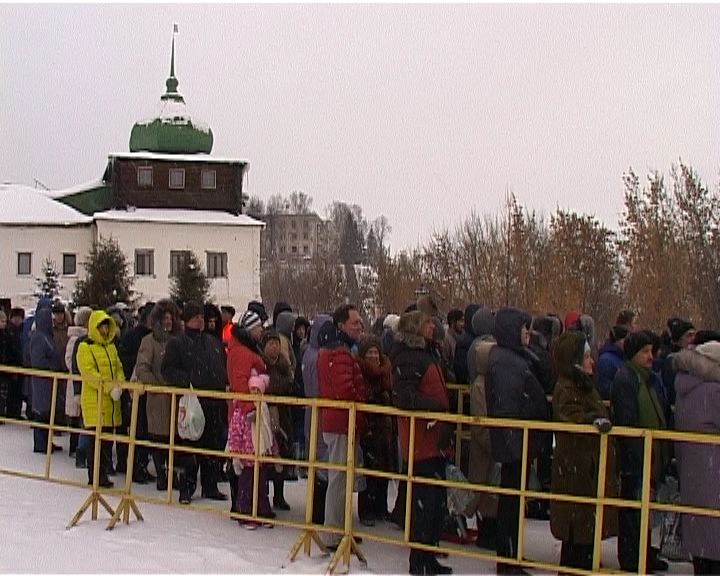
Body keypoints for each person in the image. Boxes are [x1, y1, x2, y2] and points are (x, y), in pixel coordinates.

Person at [486, 307, 547, 575]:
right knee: (510, 502)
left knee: (513, 502)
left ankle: (510, 556)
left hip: (518, 439)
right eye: (524, 328)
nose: (529, 333)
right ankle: (507, 559)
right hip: (515, 441)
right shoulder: (506, 362)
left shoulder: (515, 358)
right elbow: (510, 404)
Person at [391, 310, 452, 575]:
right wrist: (436, 408)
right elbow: (404, 397)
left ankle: (428, 554)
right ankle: (419, 560)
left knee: (436, 502)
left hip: (433, 437)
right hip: (421, 439)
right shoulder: (408, 356)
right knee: (424, 503)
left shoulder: (428, 353)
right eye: (427, 323)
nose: (432, 326)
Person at [550, 331, 618, 571]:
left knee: (581, 545)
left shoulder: (583, 385)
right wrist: (592, 420)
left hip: (584, 474)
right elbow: (571, 420)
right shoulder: (568, 388)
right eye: (587, 356)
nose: (592, 361)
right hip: (576, 475)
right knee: (576, 547)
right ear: (575, 359)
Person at [611, 330, 669, 573]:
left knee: (644, 513)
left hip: (650, 457)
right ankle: (632, 559)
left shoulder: (648, 379)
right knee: (634, 513)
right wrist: (639, 457)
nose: (650, 356)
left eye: (651, 351)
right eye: (644, 352)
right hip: (636, 460)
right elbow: (628, 421)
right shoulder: (627, 379)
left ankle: (643, 555)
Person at [161, 301, 229, 504]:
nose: (200, 320)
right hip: (193, 402)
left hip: (214, 401)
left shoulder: (211, 341)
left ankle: (210, 485)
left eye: (201, 316)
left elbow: (221, 366)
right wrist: (188, 382)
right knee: (190, 446)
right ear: (186, 319)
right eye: (195, 316)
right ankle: (187, 487)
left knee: (213, 446)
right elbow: (168, 370)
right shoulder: (177, 343)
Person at [318, 304, 369, 550]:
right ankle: (333, 533)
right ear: (341, 326)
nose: (359, 326)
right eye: (354, 323)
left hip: (339, 420)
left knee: (342, 478)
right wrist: (361, 402)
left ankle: (339, 528)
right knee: (339, 478)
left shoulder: (338, 350)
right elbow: (344, 390)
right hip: (341, 421)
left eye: (360, 322)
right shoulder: (340, 352)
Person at [673, 340, 720, 575]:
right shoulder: (713, 391)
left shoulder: (684, 387)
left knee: (702, 541)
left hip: (693, 470)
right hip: (714, 471)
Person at [226, 309, 270, 523]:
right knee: (251, 463)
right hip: (248, 414)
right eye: (258, 328)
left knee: (255, 463)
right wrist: (249, 408)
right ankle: (248, 508)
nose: (261, 331)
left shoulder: (243, 349)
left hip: (250, 409)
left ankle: (256, 505)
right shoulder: (243, 353)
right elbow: (241, 383)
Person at [134, 300, 181, 492]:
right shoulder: (149, 342)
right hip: (158, 399)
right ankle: (163, 476)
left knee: (175, 439)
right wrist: (157, 385)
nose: (168, 322)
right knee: (160, 440)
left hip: (176, 397)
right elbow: (142, 368)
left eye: (171, 318)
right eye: (165, 318)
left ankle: (174, 475)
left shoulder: (177, 340)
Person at [77, 310, 125, 487]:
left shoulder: (111, 347)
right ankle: (95, 475)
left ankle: (103, 473)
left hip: (111, 402)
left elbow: (119, 368)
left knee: (106, 442)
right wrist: (109, 387)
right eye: (101, 327)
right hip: (95, 402)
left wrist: (120, 384)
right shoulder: (85, 347)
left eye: (106, 326)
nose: (104, 330)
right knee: (95, 442)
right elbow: (89, 374)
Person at [356, 335, 395, 527]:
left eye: (376, 352)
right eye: (370, 352)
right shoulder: (361, 371)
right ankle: (366, 510)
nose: (374, 356)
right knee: (368, 470)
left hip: (385, 427)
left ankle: (381, 506)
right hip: (369, 425)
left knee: (384, 469)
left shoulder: (387, 371)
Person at [466, 326, 499, 551]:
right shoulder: (479, 386)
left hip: (490, 444)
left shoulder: (488, 384)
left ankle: (489, 530)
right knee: (484, 490)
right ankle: (486, 533)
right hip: (484, 447)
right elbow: (480, 421)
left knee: (491, 492)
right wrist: (492, 441)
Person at [301, 314, 333, 524]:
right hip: (319, 412)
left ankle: (319, 510)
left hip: (315, 412)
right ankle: (319, 511)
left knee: (320, 461)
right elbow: (315, 388)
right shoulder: (315, 356)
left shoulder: (310, 353)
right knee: (321, 463)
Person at [261, 330, 294, 511]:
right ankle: (265, 494)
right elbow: (271, 385)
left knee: (282, 451)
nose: (274, 347)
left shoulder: (284, 364)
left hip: (283, 413)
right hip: (270, 412)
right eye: (270, 343)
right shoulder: (262, 365)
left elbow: (290, 384)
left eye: (276, 343)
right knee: (270, 452)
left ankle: (279, 494)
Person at [29, 306, 64, 453]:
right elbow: (38, 361)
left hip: (49, 381)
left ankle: (46, 440)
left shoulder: (46, 337)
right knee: (41, 412)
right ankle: (40, 443)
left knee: (47, 412)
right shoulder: (39, 338)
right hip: (42, 381)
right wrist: (52, 367)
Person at [64, 306, 92, 465]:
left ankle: (78, 449)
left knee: (82, 417)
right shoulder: (75, 339)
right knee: (79, 418)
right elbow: (69, 360)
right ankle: (76, 449)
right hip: (77, 383)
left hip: (82, 382)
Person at [597, 325, 629, 401]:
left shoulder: (622, 357)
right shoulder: (606, 360)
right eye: (626, 340)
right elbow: (605, 388)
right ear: (619, 341)